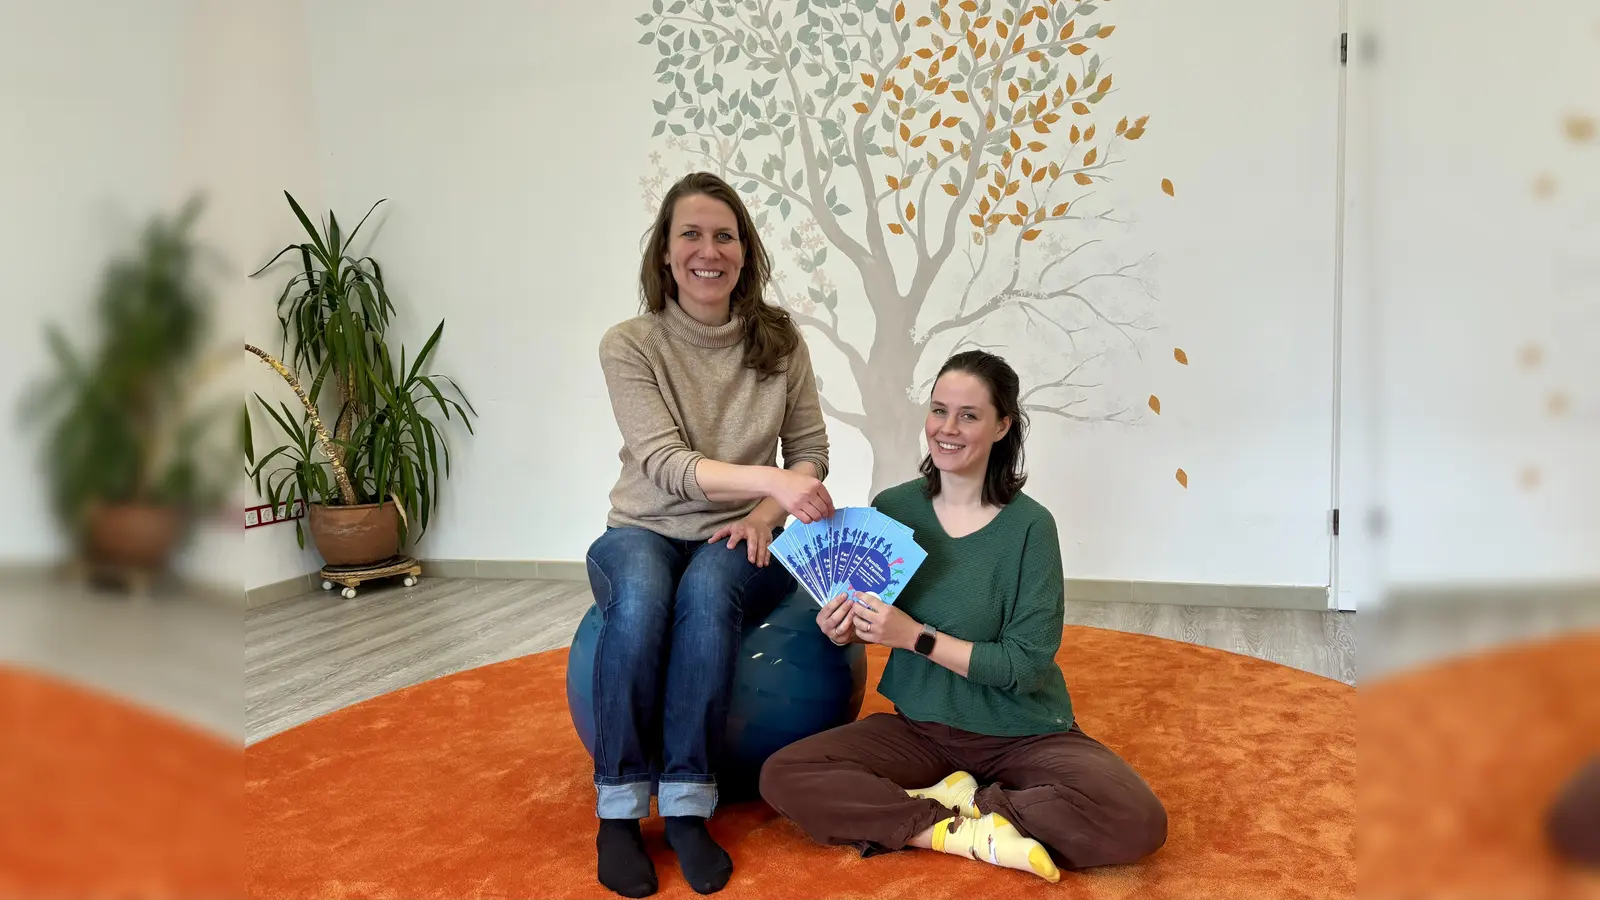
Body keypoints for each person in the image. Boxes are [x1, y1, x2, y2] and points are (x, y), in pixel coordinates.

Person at [758, 350, 1167, 881]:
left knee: (1137, 821)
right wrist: (840, 629)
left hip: (1023, 732)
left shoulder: (1030, 528)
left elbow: (1025, 668)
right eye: (938, 410)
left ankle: (961, 805)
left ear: (1002, 426)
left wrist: (915, 637)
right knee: (784, 774)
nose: (947, 429)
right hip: (922, 730)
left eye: (969, 415)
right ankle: (951, 828)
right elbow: (867, 615)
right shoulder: (893, 508)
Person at [587, 171, 832, 897]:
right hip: (643, 527)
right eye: (690, 234)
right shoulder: (630, 344)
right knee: (639, 604)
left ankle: (690, 805)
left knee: (708, 597)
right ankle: (619, 811)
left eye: (724, 235)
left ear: (745, 251)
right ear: (664, 253)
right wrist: (772, 484)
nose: (708, 250)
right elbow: (664, 466)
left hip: (742, 537)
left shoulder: (781, 342)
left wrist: (766, 513)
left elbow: (810, 448)